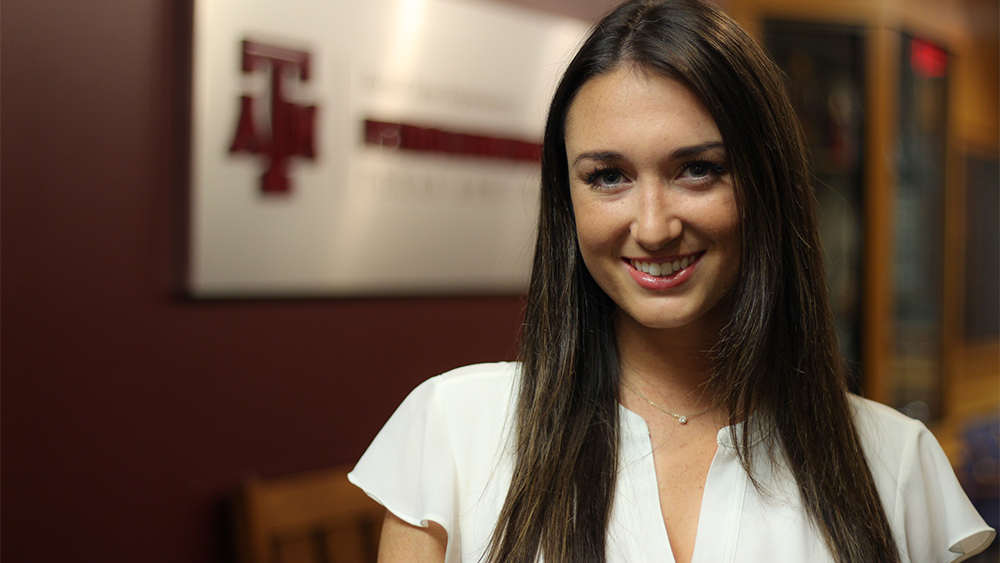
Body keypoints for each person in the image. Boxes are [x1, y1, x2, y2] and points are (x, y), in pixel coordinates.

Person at [348, 1, 996, 561]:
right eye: (608, 176)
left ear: (766, 185)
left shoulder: (896, 464)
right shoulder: (454, 434)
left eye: (698, 170)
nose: (654, 227)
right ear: (565, 199)